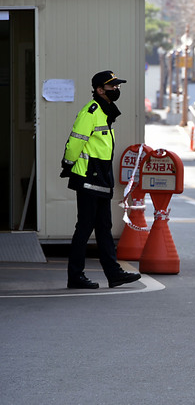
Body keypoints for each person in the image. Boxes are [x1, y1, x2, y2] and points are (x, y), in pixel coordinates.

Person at [60, 70, 141, 289]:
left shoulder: (105, 112)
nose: (116, 90)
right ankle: (75, 276)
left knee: (104, 227)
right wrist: (68, 164)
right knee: (85, 227)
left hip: (101, 175)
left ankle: (114, 274)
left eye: (117, 87)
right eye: (112, 87)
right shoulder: (91, 111)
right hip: (88, 176)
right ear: (99, 90)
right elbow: (76, 141)